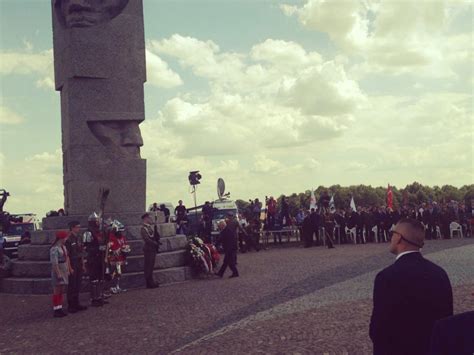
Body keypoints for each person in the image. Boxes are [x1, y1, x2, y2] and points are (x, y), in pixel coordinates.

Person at [369, 218, 453, 355]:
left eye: (393, 233)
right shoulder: (439, 273)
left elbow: (378, 330)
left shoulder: (386, 277)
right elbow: (446, 321)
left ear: (399, 238)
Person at [83, 212, 108, 307]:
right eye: (97, 221)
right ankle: (94, 299)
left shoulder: (100, 232)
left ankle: (100, 296)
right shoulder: (88, 233)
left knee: (100, 278)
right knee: (94, 279)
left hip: (100, 258)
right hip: (93, 258)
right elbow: (86, 248)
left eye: (99, 221)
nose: (98, 222)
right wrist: (98, 249)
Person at [65, 221, 87, 313]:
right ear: (72, 228)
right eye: (77, 227)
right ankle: (71, 305)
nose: (79, 228)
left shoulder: (79, 237)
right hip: (72, 263)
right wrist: (69, 268)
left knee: (78, 284)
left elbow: (81, 252)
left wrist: (83, 264)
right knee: (72, 285)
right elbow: (67, 255)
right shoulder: (68, 239)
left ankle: (76, 303)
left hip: (78, 263)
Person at [50, 230, 72, 317]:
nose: (66, 239)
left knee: (61, 290)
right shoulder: (54, 249)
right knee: (57, 290)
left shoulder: (63, 247)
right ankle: (56, 309)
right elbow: (54, 263)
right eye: (65, 237)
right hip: (58, 270)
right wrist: (58, 273)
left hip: (64, 269)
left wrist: (68, 269)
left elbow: (66, 258)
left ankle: (60, 307)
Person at [141, 213, 159, 288]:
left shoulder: (149, 227)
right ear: (145, 219)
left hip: (152, 249)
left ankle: (151, 281)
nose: (150, 219)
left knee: (151, 266)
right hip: (148, 249)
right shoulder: (143, 228)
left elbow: (153, 236)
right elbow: (146, 239)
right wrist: (154, 243)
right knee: (148, 266)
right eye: (149, 218)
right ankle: (149, 282)